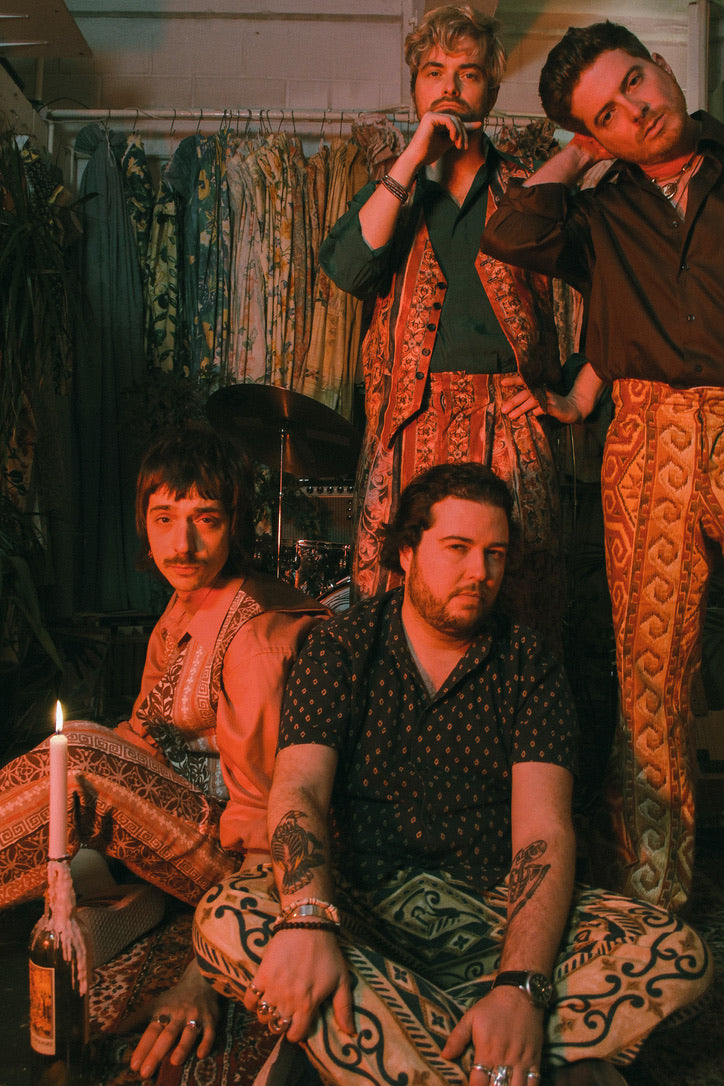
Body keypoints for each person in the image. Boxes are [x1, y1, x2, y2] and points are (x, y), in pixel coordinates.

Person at [193, 463, 711, 1086]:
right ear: (407, 553)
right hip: (359, 911)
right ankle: (494, 1054)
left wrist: (519, 984)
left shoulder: (529, 667)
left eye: (494, 554)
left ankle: (416, 1039)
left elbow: (543, 835)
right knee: (225, 915)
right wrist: (306, 918)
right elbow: (298, 788)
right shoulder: (341, 647)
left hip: (494, 915)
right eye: (458, 549)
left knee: (677, 955)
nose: (480, 573)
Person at [479, 20, 724, 913]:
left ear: (664, 64)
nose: (637, 113)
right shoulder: (599, 214)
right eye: (608, 116)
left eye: (635, 83)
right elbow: (510, 234)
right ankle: (655, 905)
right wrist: (575, 158)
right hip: (650, 433)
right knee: (651, 675)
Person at [0, 423, 328, 1079]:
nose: (181, 543)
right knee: (79, 748)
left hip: (245, 861)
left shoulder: (256, 632)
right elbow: (142, 738)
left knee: (82, 768)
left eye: (206, 520)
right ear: (144, 524)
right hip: (181, 834)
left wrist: (215, 962)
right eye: (163, 518)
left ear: (236, 524)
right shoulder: (181, 609)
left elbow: (272, 823)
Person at [318, 4, 566, 656]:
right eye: (435, 72)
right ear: (416, 89)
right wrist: (412, 159)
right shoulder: (391, 190)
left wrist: (569, 394)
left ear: (490, 90)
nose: (451, 86)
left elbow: (595, 292)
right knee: (399, 588)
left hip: (509, 415)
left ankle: (513, 741)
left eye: (469, 73)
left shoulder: (523, 189)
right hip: (409, 416)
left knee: (518, 587)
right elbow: (346, 266)